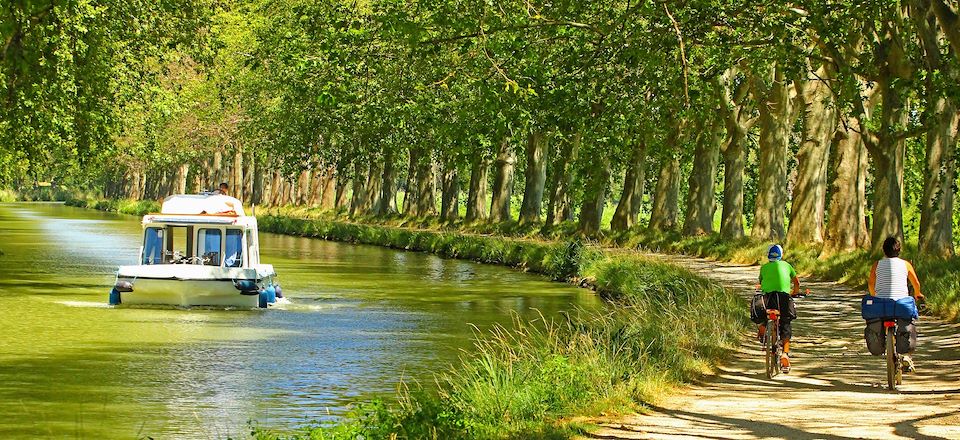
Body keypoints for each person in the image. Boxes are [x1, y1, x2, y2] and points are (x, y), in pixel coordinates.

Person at [868, 236, 924, 371]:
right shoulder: (905, 264)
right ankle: (905, 355)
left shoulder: (877, 264)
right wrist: (917, 294)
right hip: (901, 304)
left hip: (881, 303)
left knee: (880, 319)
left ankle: (882, 342)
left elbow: (871, 283)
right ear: (899, 250)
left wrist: (874, 296)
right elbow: (915, 283)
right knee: (905, 320)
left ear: (884, 251)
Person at [757, 244, 801, 373]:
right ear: (781, 255)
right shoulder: (787, 265)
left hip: (768, 298)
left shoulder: (764, 267)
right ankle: (785, 354)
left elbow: (761, 282)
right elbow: (796, 282)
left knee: (762, 315)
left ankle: (763, 328)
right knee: (785, 323)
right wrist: (794, 292)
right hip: (783, 298)